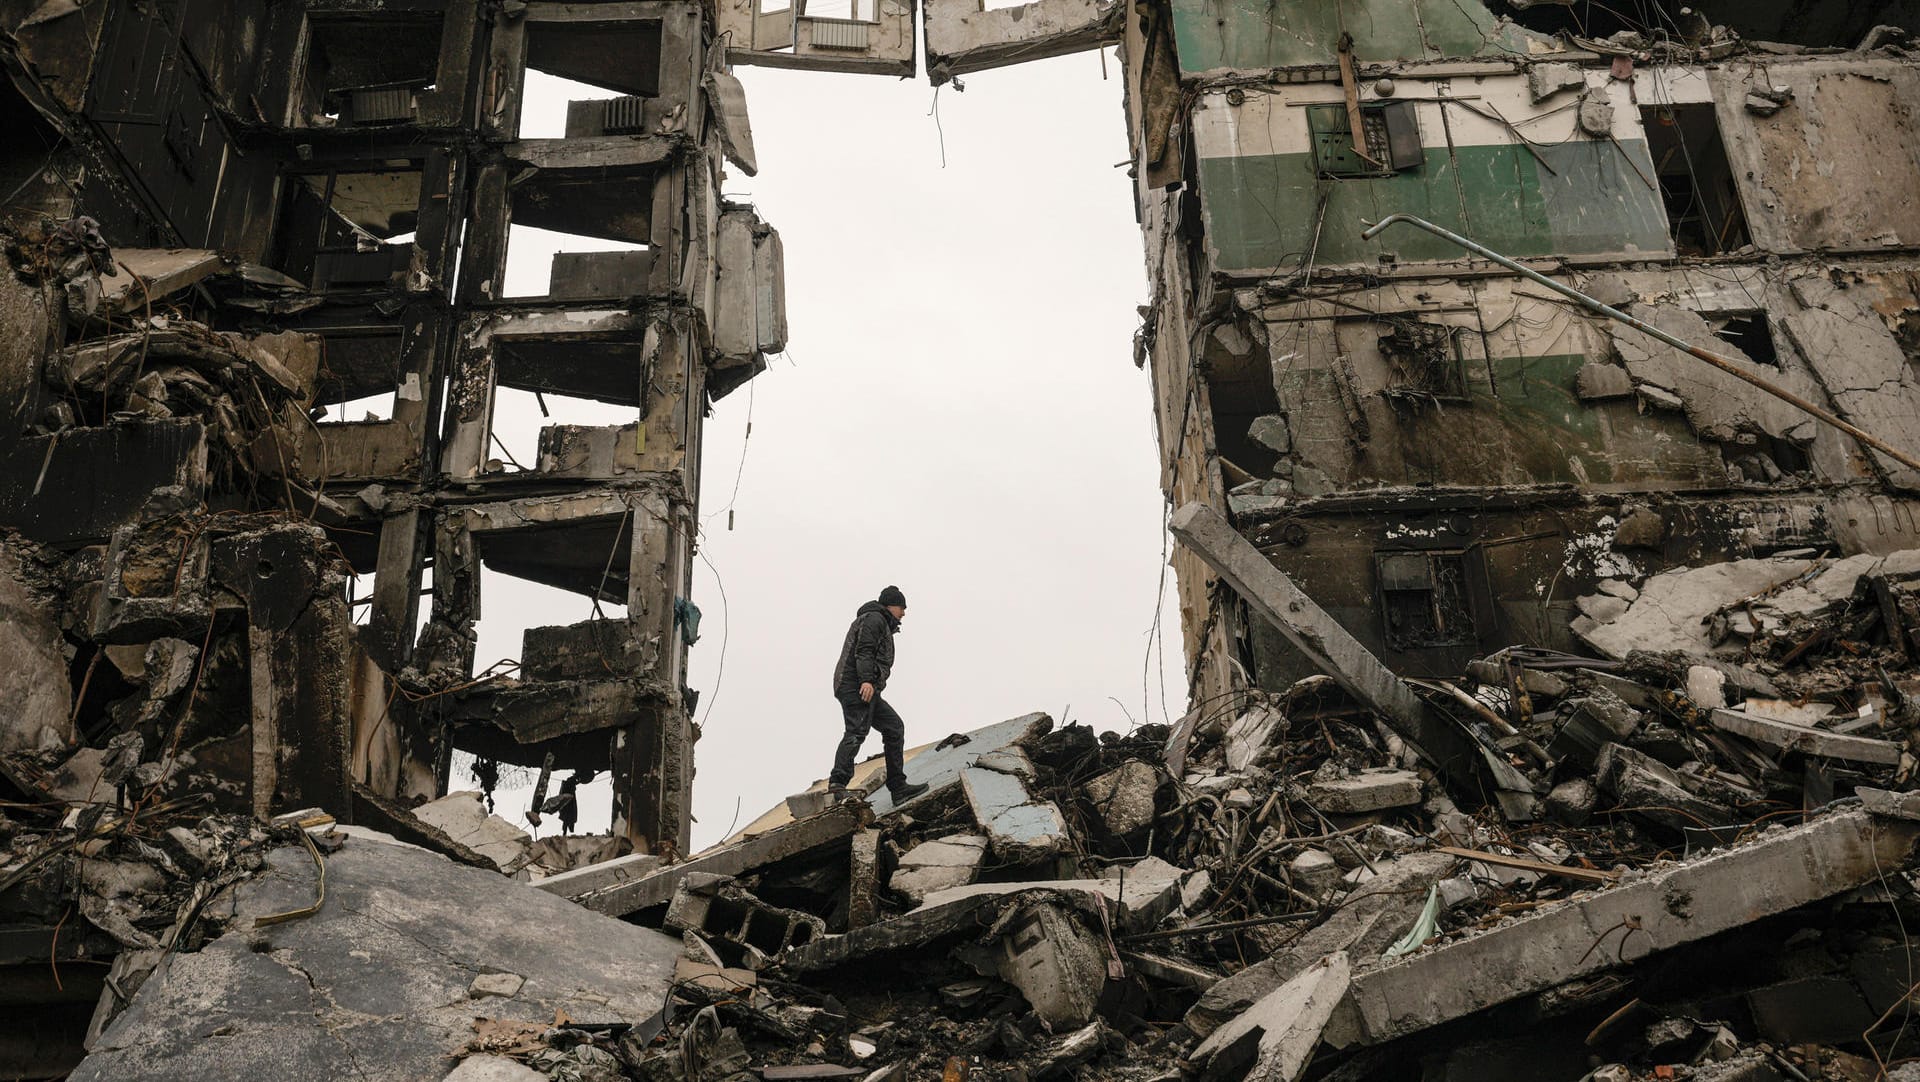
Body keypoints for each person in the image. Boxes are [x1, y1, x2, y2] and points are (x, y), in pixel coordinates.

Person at [828, 586, 930, 804]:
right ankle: (837, 785)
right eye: (901, 607)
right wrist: (866, 680)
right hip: (855, 684)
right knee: (856, 730)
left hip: (866, 686)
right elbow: (864, 650)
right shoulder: (875, 618)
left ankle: (898, 787)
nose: (903, 613)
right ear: (890, 605)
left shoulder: (880, 622)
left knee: (894, 728)